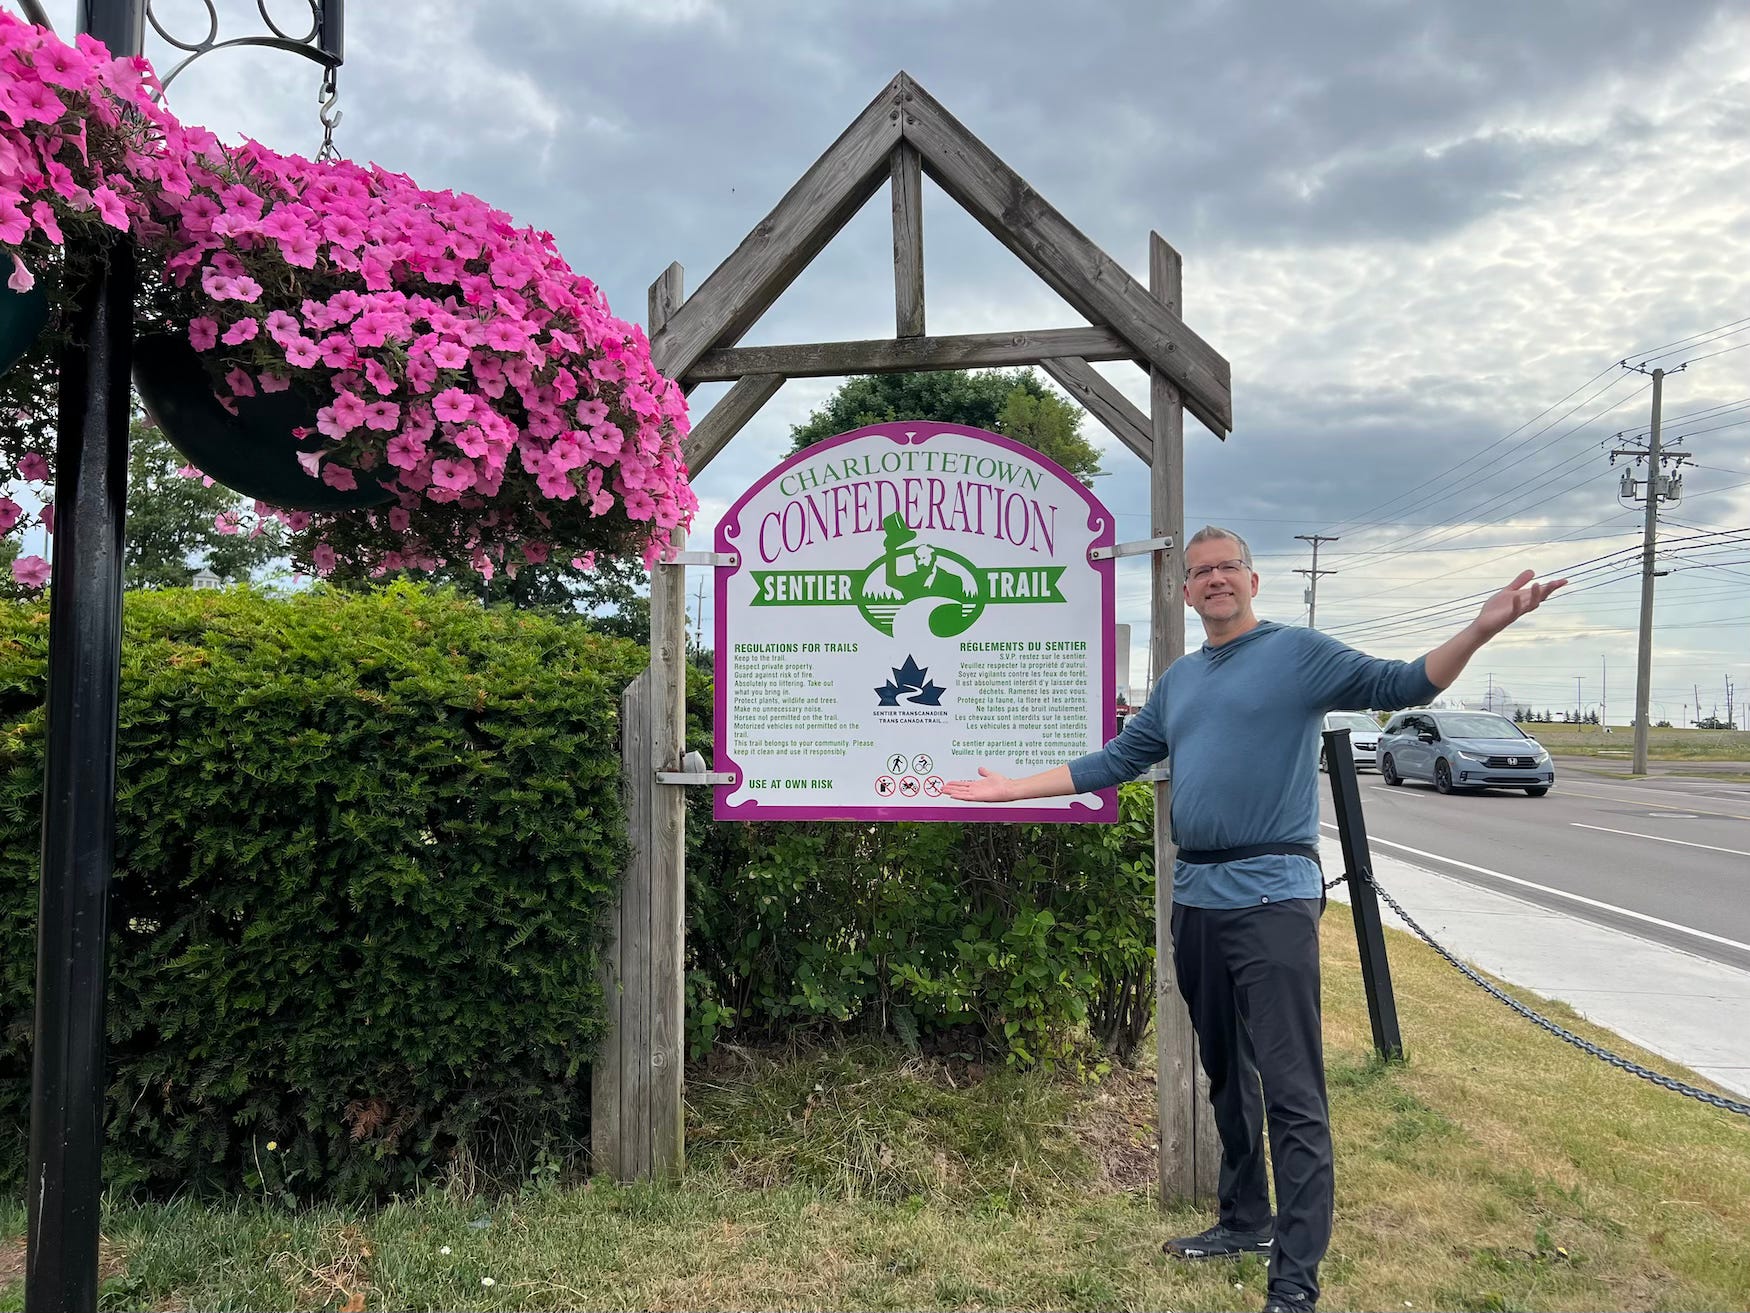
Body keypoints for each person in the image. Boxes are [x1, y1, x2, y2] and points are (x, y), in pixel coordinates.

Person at [945, 525, 1565, 1313]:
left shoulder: (1297, 654)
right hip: (1197, 900)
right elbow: (1117, 760)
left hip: (1273, 897)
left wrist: (1480, 628)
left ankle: (1295, 1281)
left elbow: (1405, 682)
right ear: (1186, 590)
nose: (1215, 579)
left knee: (1292, 1089)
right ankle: (1245, 1220)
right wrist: (1011, 789)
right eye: (1200, 571)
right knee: (1228, 1074)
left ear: (1252, 578)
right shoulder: (1178, 681)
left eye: (1227, 567)